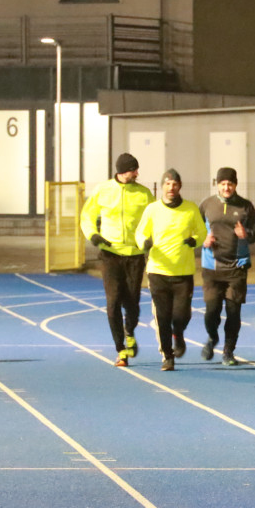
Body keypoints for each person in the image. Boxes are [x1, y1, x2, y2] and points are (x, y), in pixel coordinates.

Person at [81, 153, 155, 367]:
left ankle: (130, 330)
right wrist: (93, 235)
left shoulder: (144, 193)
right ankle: (120, 350)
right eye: (134, 170)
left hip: (134, 255)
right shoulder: (103, 190)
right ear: (124, 170)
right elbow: (87, 216)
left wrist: (149, 241)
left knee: (132, 302)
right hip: (110, 254)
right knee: (113, 302)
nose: (137, 174)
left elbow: (153, 218)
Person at [135, 169, 207, 371]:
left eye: (175, 184)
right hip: (158, 271)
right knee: (162, 316)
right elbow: (140, 232)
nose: (171, 187)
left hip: (183, 272)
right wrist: (144, 242)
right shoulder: (152, 209)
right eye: (167, 184)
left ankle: (179, 333)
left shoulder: (190, 209)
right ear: (162, 186)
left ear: (179, 186)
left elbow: (202, 232)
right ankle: (167, 355)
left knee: (181, 315)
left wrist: (195, 240)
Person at [198, 167, 255, 366]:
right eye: (223, 183)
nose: (226, 187)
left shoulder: (245, 206)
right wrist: (203, 239)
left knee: (233, 311)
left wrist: (247, 235)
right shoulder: (207, 205)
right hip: (212, 267)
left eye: (230, 184)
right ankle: (212, 337)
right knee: (211, 311)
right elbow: (195, 229)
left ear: (235, 185)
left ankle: (228, 351)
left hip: (237, 267)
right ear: (217, 184)